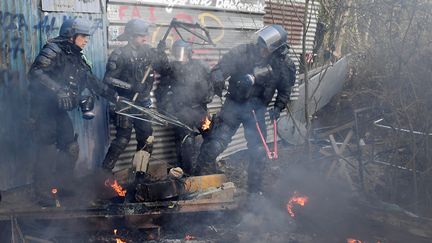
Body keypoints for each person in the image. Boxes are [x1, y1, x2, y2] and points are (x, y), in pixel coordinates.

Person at [195, 24, 296, 192]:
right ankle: (196, 183)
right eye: (261, 45)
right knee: (215, 144)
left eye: (266, 48)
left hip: (257, 112)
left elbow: (285, 89)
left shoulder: (283, 64)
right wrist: (218, 77)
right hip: (233, 106)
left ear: (276, 49)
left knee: (258, 153)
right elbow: (221, 68)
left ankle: (254, 192)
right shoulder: (243, 52)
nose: (261, 49)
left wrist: (278, 107)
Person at [28, 18, 117, 199]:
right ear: (71, 34)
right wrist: (59, 90)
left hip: (58, 111)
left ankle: (63, 185)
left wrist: (114, 97)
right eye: (83, 36)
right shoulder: (53, 49)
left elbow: (93, 82)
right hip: (43, 109)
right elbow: (35, 72)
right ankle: (43, 194)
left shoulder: (78, 57)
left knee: (70, 147)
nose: (86, 40)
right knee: (47, 149)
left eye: (87, 37)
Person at [101, 19, 170, 172]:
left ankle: (140, 174)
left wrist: (161, 53)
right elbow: (108, 79)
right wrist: (131, 86)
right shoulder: (119, 54)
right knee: (122, 140)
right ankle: (103, 175)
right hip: (125, 103)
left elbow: (165, 69)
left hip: (143, 103)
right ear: (131, 36)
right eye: (140, 36)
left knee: (146, 139)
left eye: (145, 35)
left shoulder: (148, 52)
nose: (144, 38)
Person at [155, 40, 213, 174]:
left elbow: (210, 84)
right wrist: (168, 112)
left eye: (183, 53)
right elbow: (161, 93)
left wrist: (208, 96)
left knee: (211, 136)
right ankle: (188, 175)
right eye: (177, 53)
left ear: (189, 53)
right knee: (186, 143)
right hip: (182, 114)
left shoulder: (199, 67)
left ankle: (208, 168)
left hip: (200, 112)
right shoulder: (171, 70)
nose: (180, 57)